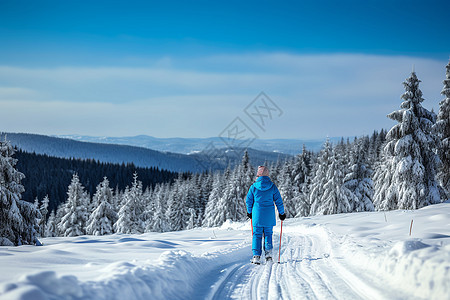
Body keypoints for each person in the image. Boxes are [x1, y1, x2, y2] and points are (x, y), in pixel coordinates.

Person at [246, 166, 286, 264]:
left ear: (258, 175)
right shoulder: (272, 186)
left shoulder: (253, 187)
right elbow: (279, 201)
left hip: (257, 215)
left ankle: (256, 256)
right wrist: (282, 213)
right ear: (267, 175)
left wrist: (249, 212)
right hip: (269, 216)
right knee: (268, 234)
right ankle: (268, 255)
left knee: (257, 235)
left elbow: (248, 201)